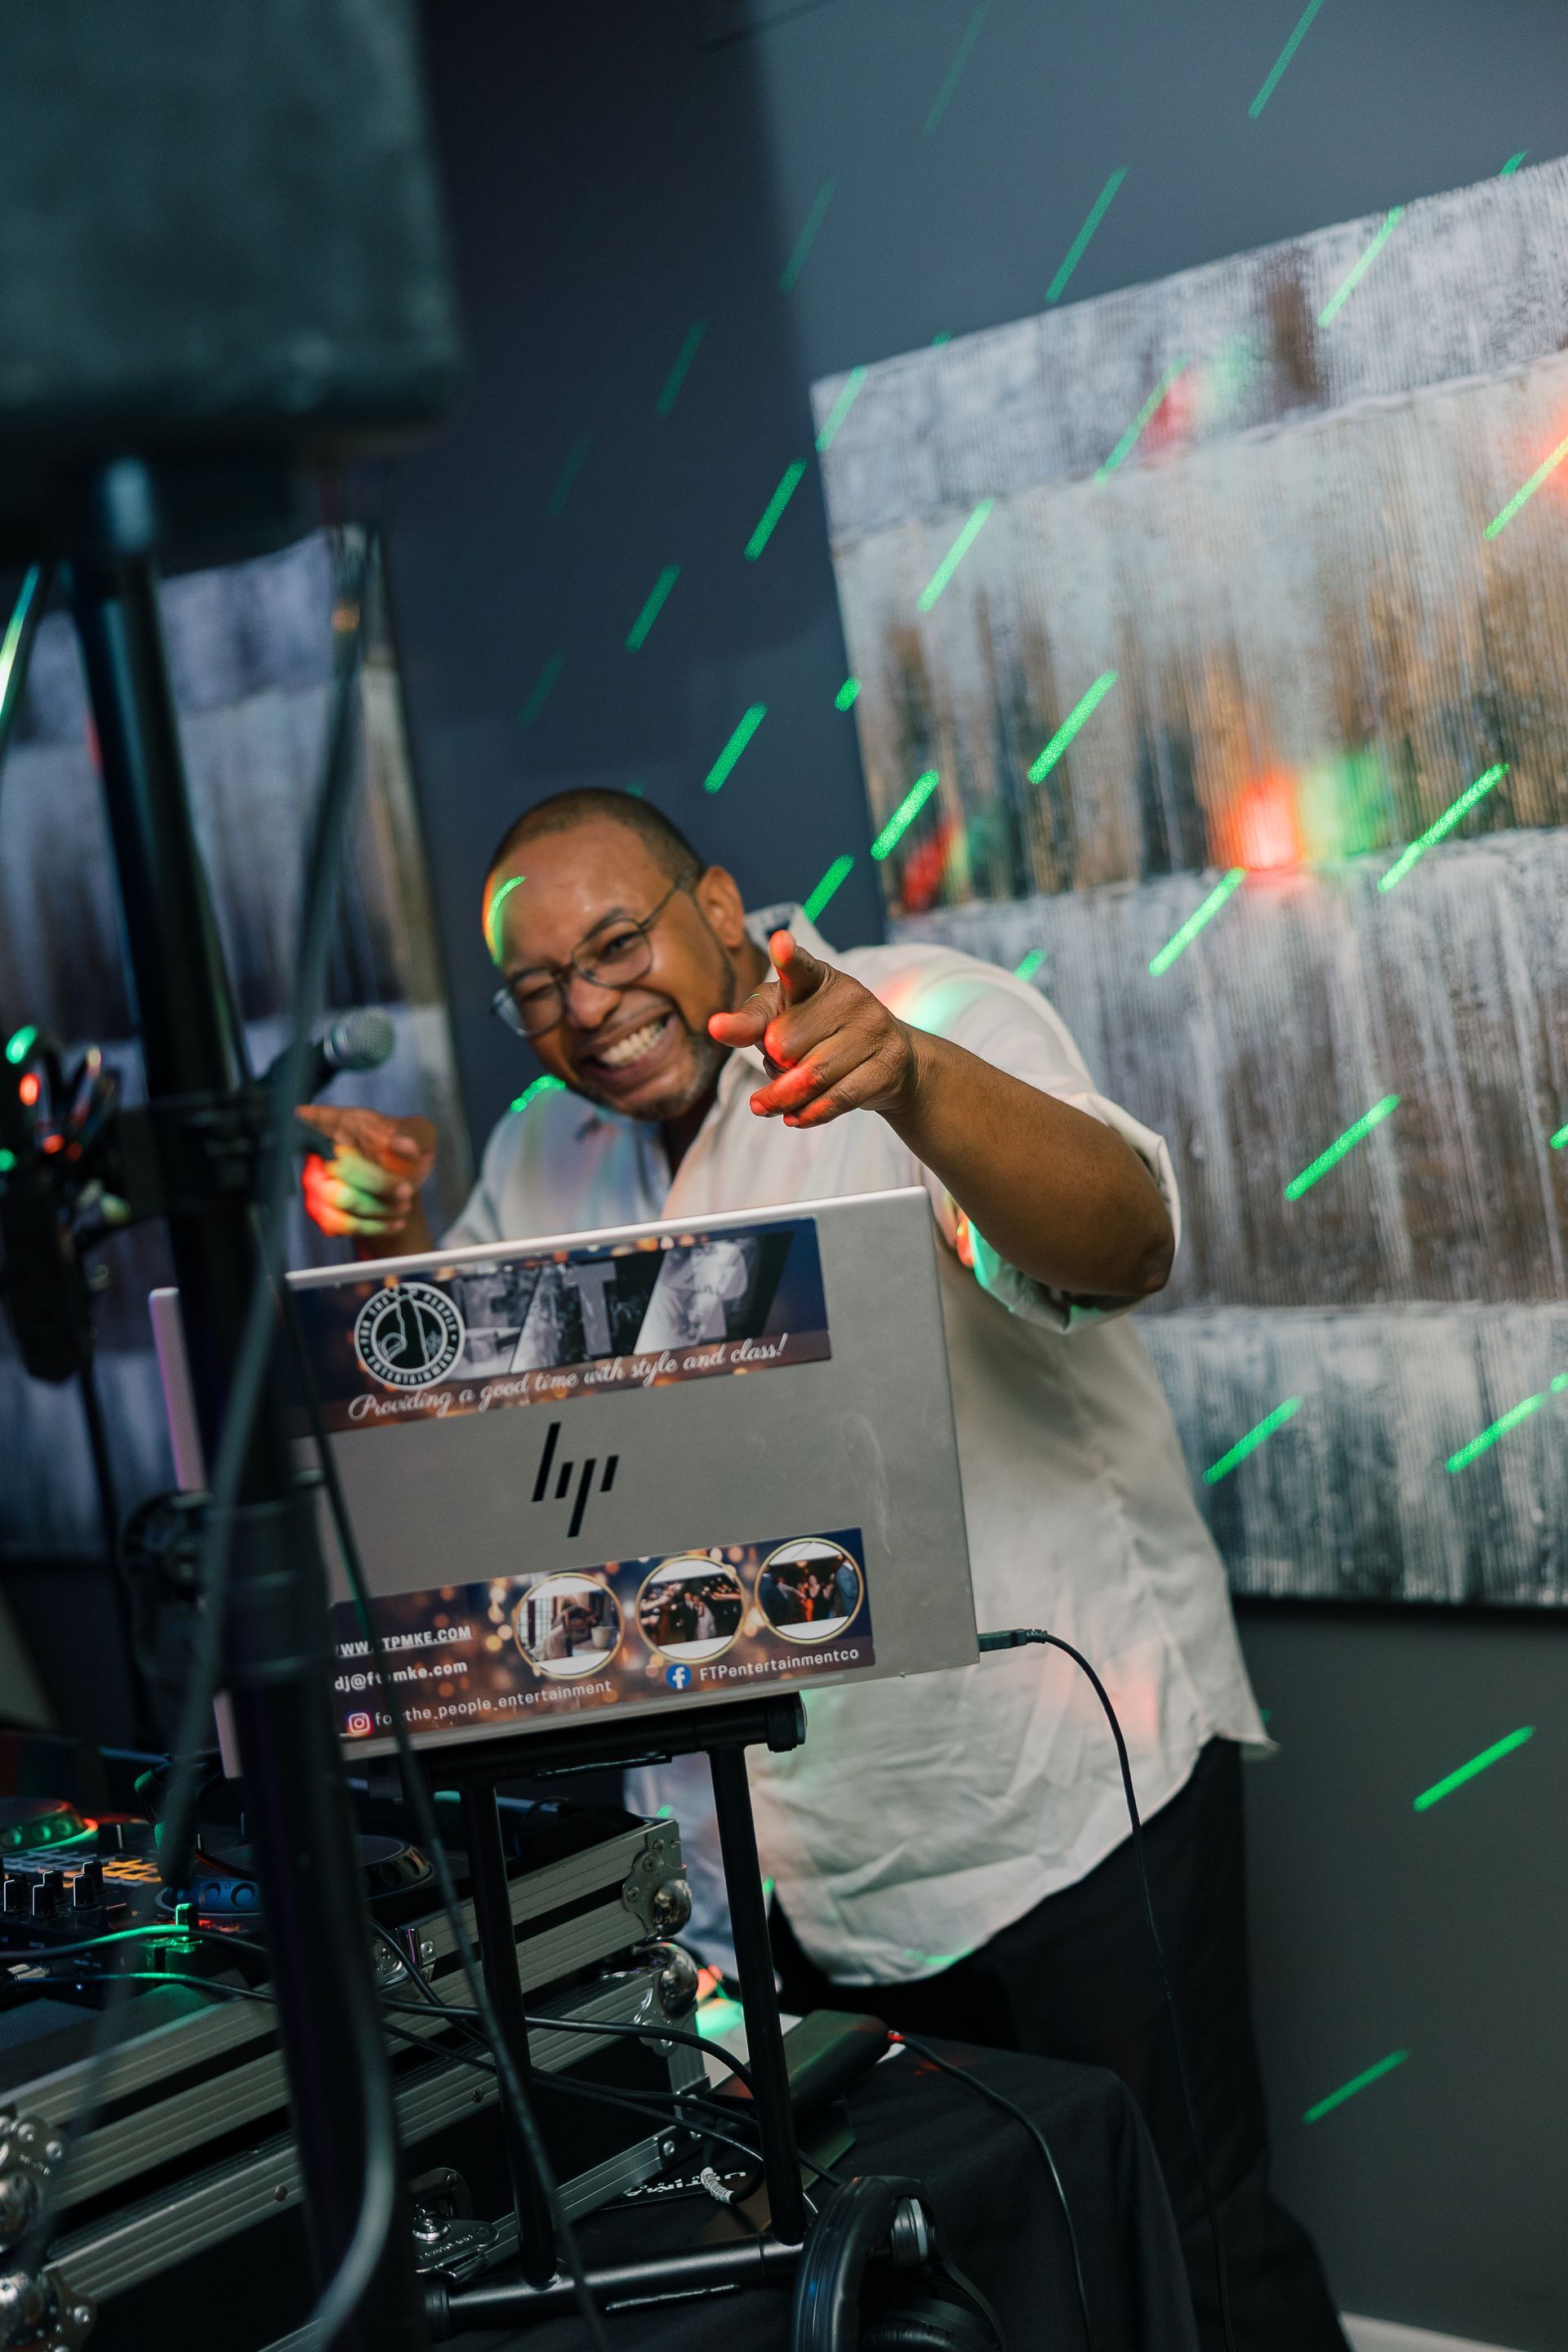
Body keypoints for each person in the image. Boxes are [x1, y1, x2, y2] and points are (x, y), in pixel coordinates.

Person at [300, 787, 1348, 2352]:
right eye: (538, 988)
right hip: (786, 1860)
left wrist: (917, 1082)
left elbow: (1125, 1244)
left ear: (720, 906)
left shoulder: (924, 1010)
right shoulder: (544, 1150)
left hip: (1055, 1803)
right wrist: (382, 1257)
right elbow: (481, 1447)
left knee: (1183, 2260)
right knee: (947, 2285)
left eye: (616, 943)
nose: (586, 1006)